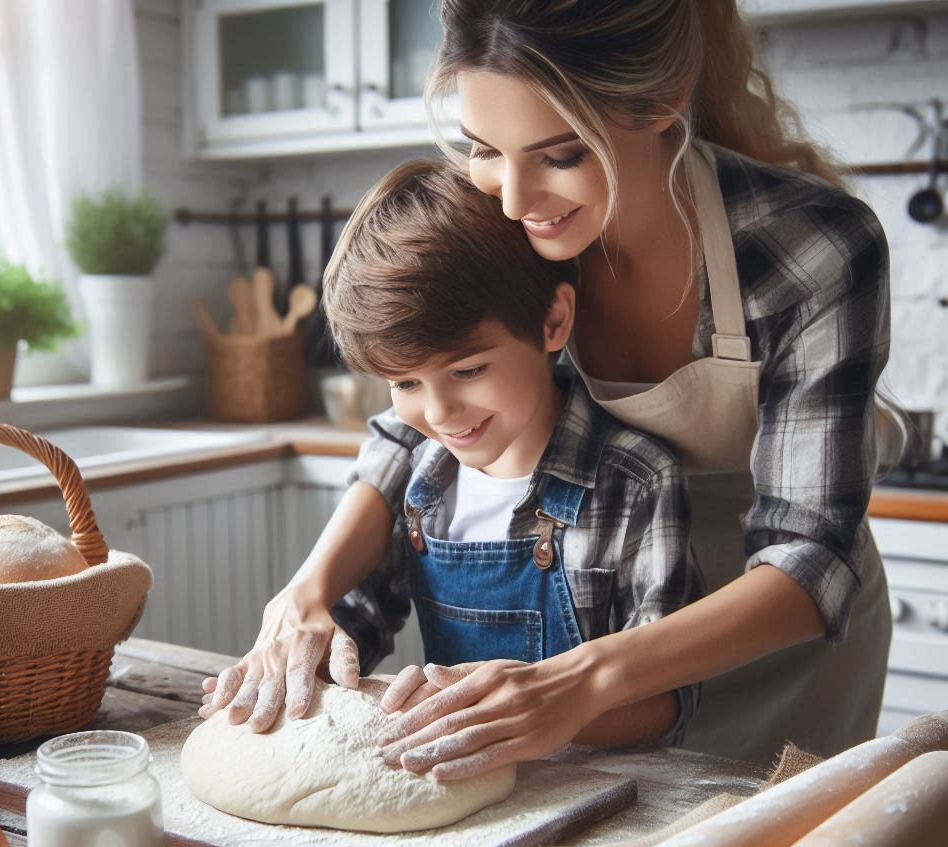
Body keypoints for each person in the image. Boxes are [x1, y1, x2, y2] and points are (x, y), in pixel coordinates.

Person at [203, 0, 900, 773]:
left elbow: (809, 558)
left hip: (771, 641)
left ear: (662, 104)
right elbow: (415, 422)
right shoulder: (520, 224)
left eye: (560, 153)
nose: (509, 198)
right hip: (592, 642)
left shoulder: (810, 246)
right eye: (483, 148)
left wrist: (584, 678)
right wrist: (304, 592)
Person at [205, 156, 703, 754]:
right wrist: (299, 668)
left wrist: (537, 713)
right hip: (460, 784)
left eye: (467, 370)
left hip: (607, 793)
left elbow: (670, 700)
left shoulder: (636, 480)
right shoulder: (422, 472)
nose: (438, 414)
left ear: (553, 322)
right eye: (405, 384)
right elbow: (361, 615)